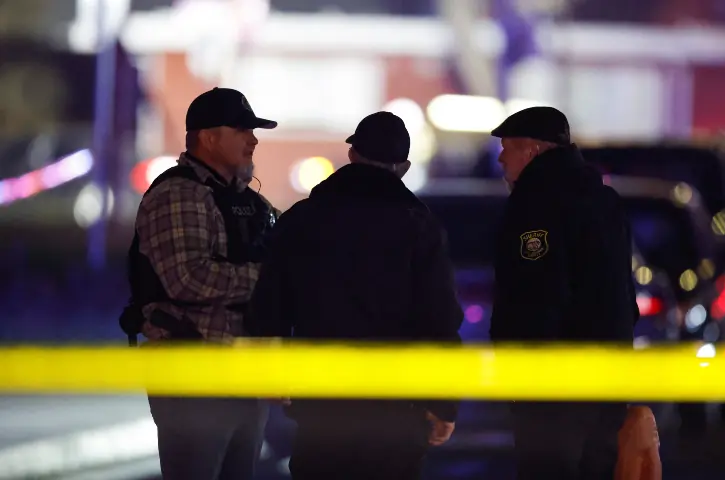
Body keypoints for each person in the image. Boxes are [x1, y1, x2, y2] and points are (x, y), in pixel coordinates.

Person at [246, 111, 464, 480]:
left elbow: (269, 300)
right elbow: (439, 317)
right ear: (404, 167)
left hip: (322, 402)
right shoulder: (418, 226)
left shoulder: (304, 218)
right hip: (395, 406)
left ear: (352, 155)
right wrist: (443, 402)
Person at [123, 87, 281, 479]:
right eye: (241, 130)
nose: (253, 140)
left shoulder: (250, 203)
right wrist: (270, 279)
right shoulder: (178, 194)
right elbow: (189, 279)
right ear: (208, 138)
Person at [489, 106, 638, 479]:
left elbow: (535, 296)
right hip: (607, 377)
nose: (501, 158)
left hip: (553, 386)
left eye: (507, 148)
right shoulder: (604, 200)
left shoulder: (535, 207)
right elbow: (622, 290)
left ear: (532, 150)